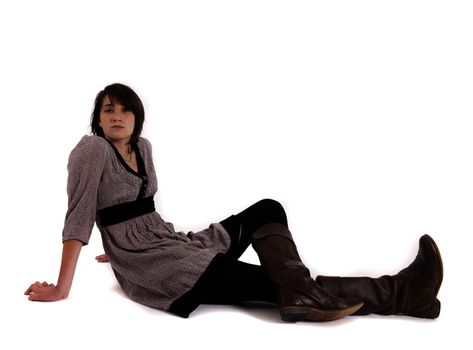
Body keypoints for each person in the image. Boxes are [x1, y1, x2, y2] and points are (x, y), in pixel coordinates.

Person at [24, 83, 443, 322]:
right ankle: (404, 294)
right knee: (273, 283)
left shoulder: (144, 147)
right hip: (156, 266)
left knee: (268, 208)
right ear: (97, 118)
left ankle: (303, 293)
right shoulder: (91, 150)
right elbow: (79, 217)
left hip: (171, 242)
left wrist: (117, 244)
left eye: (125, 110)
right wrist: (68, 284)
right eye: (107, 110)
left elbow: (136, 208)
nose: (116, 116)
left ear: (137, 117)